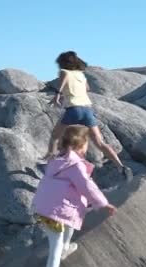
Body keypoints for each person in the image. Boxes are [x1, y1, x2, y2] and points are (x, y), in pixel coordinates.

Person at [33, 125, 117, 267]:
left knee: (71, 223)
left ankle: (65, 247)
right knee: (54, 246)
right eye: (86, 143)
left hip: (45, 206)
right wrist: (103, 203)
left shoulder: (57, 159)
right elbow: (87, 186)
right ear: (81, 145)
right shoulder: (75, 165)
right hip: (53, 211)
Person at [46, 50, 133, 182]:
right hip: (87, 110)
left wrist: (58, 93)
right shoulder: (81, 74)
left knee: (55, 137)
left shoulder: (64, 72)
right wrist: (70, 91)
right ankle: (121, 167)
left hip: (73, 110)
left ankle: (50, 167)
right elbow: (87, 88)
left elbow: (63, 80)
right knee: (100, 143)